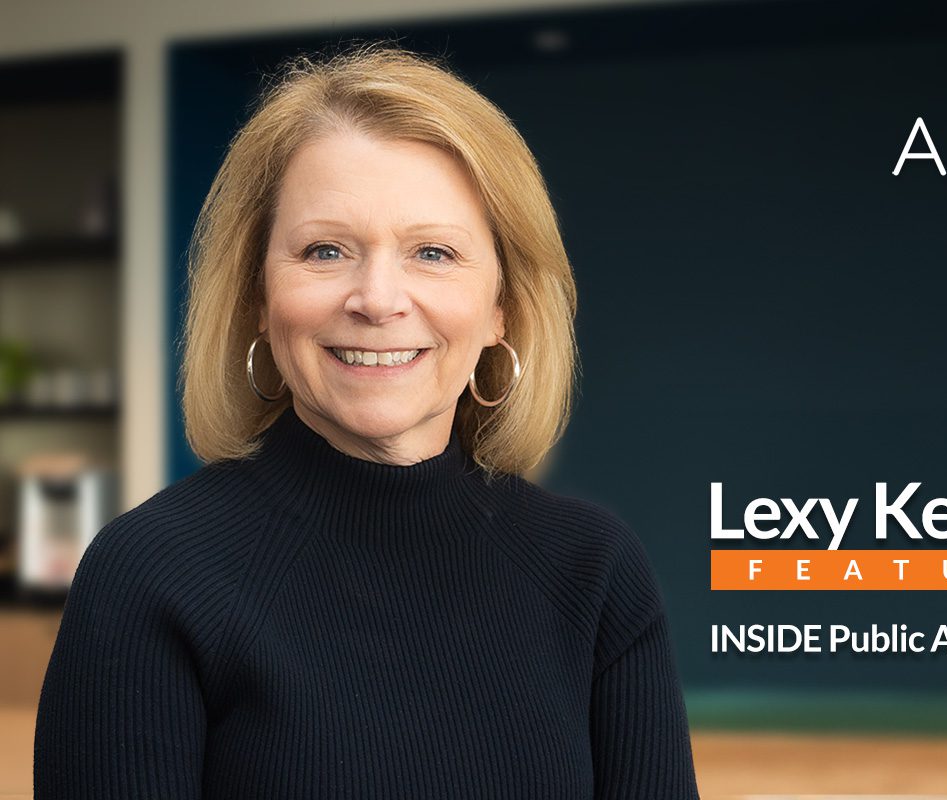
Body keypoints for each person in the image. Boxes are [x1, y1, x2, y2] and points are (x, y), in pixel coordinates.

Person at [33, 44, 700, 799]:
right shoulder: (149, 574)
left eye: (433, 252)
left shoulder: (595, 572)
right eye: (325, 250)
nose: (378, 299)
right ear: (259, 296)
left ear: (501, 309)